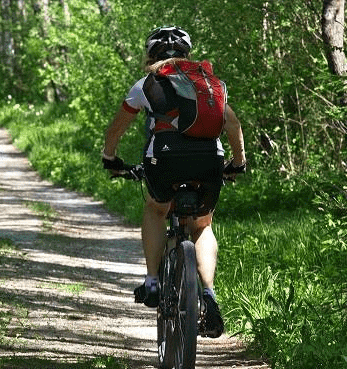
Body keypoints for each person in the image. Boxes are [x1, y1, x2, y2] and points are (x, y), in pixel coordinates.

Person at [100, 26, 248, 338]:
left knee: (156, 209)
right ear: (187, 53)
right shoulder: (207, 83)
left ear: (150, 55)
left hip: (165, 160)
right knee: (202, 225)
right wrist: (238, 163)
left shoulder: (146, 83)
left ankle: (153, 281)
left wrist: (110, 158)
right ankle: (209, 293)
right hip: (209, 159)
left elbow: (116, 128)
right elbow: (232, 122)